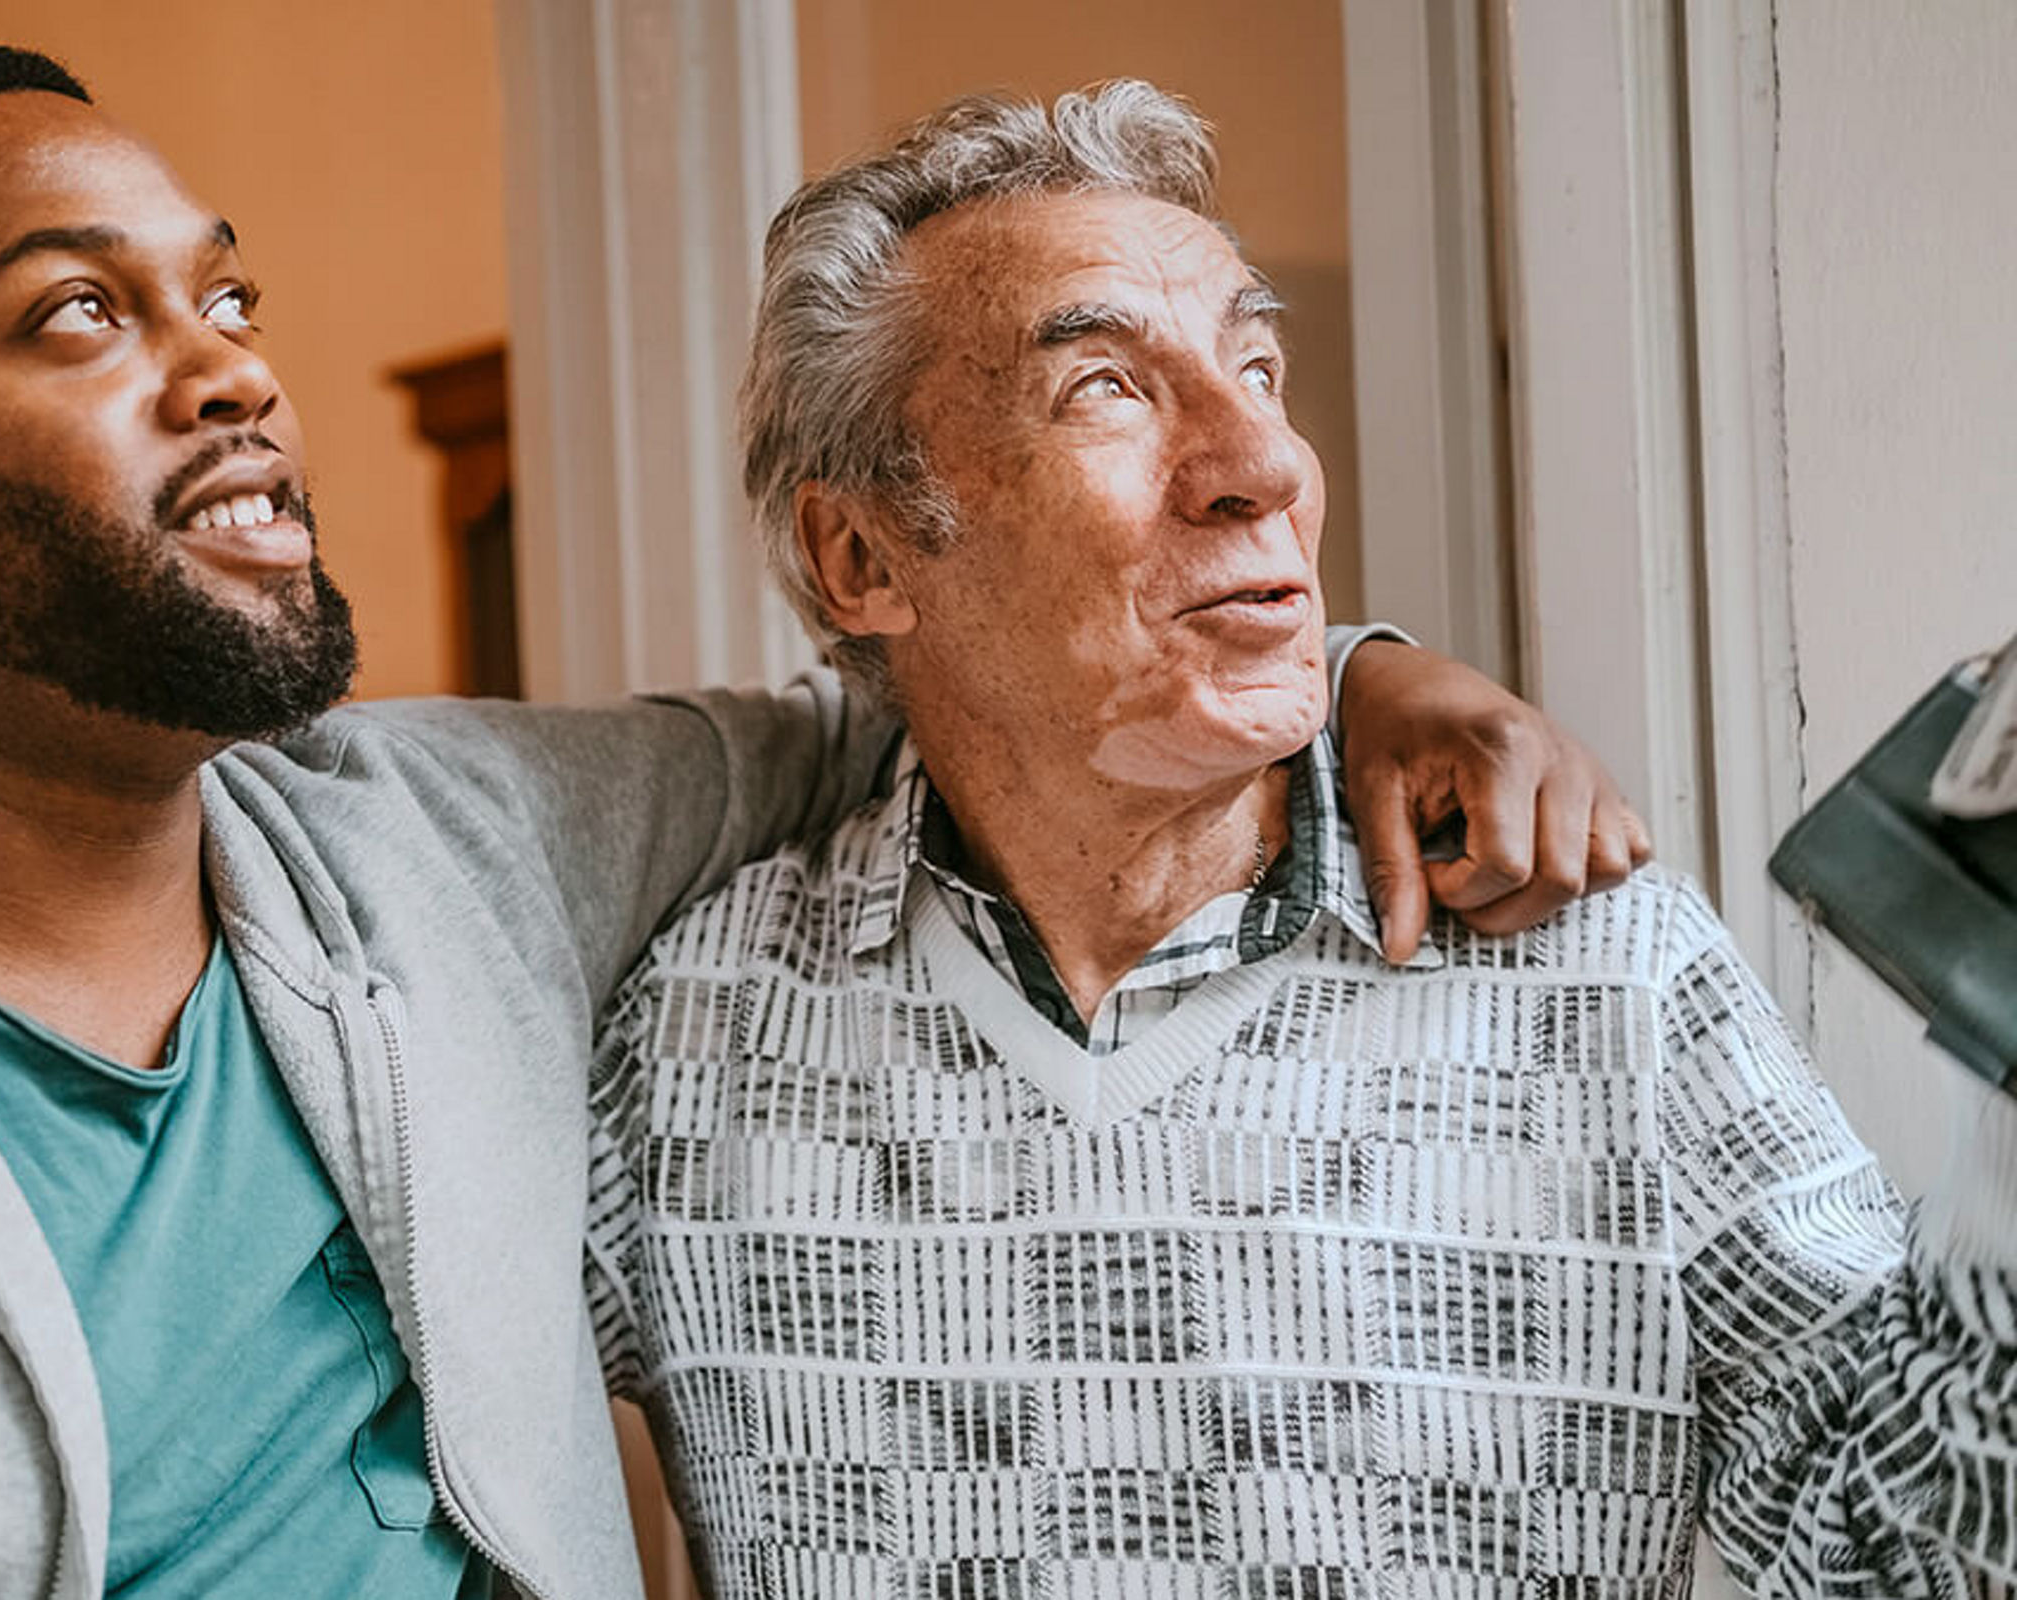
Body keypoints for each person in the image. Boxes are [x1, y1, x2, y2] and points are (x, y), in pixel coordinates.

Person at [0, 46, 1641, 1600]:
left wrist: (1350, 668)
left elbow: (934, 691)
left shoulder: (443, 838)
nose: (232, 372)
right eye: (77, 316)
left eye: (225, 295)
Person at [585, 81, 2017, 1599]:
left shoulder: (1599, 962)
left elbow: (1917, 1559)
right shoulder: (695, 1031)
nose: (1261, 464)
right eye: (1107, 392)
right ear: (861, 556)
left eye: (1258, 369)